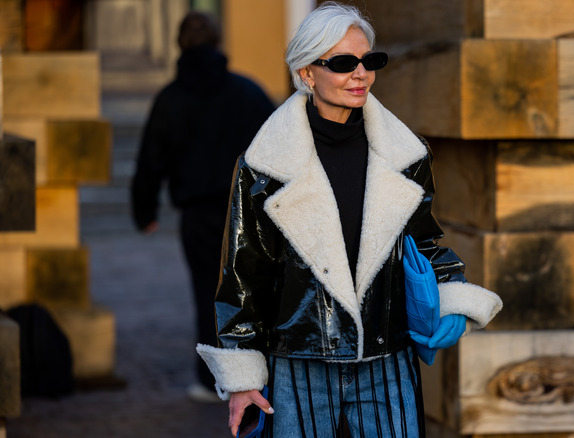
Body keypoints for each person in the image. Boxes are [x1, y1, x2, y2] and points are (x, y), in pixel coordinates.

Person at [196, 2, 502, 436]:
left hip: (386, 357)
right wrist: (244, 378)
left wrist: (451, 294)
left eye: (369, 61)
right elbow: (244, 273)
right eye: (342, 63)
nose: (360, 74)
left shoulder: (403, 156)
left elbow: (423, 242)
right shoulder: (264, 166)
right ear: (306, 72)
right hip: (299, 363)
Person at [131, 11, 276, 402]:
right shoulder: (247, 92)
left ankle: (211, 376)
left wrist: (144, 211)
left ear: (180, 46)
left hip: (197, 215)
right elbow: (279, 145)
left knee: (206, 293)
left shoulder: (170, 99)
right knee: (252, 290)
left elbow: (150, 159)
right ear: (217, 43)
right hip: (248, 211)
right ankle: (255, 370)